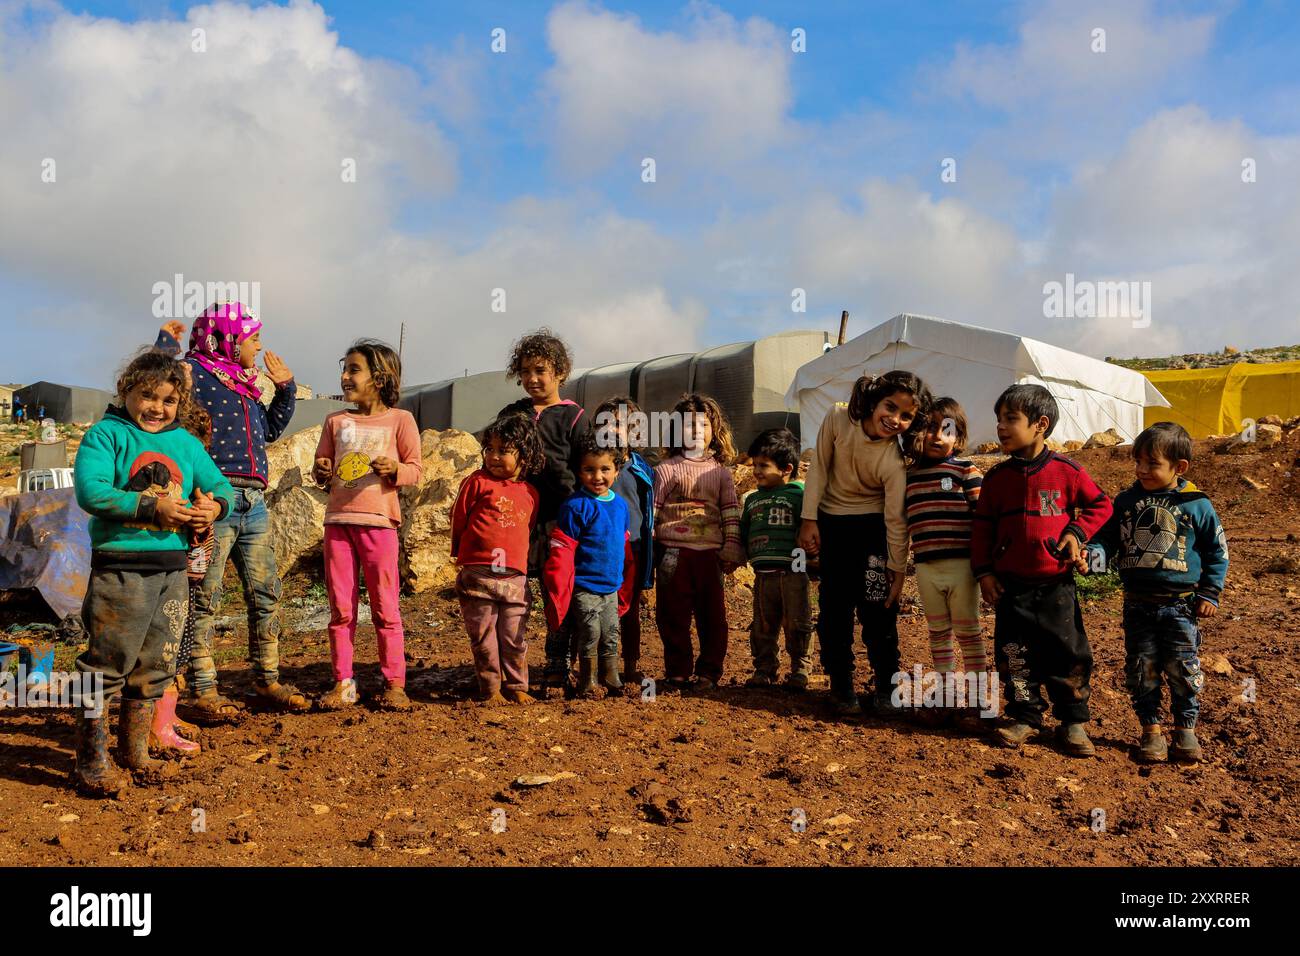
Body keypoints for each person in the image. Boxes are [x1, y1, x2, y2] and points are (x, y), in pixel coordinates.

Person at [72, 349, 233, 796]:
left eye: (167, 400)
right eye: (147, 396)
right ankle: (91, 759)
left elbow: (219, 486)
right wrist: (151, 506)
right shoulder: (106, 436)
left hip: (172, 571)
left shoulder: (185, 443)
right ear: (125, 391)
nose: (157, 408)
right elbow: (92, 492)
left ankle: (134, 751)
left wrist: (212, 507)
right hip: (121, 569)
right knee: (107, 662)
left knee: (154, 662)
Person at [155, 306, 302, 720]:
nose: (259, 344)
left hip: (254, 503)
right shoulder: (193, 374)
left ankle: (266, 679)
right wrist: (167, 343)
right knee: (206, 596)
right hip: (213, 503)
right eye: (253, 337)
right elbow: (156, 382)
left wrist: (286, 388)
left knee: (266, 591)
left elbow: (270, 431)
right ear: (228, 338)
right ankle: (202, 690)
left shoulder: (245, 386)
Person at [971, 384, 1113, 757]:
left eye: (1010, 419)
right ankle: (1024, 715)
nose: (1001, 427)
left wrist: (1076, 532)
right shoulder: (997, 479)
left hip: (1056, 586)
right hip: (1011, 588)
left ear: (1040, 424)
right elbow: (982, 528)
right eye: (999, 419)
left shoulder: (1067, 471)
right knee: (1014, 655)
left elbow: (1101, 506)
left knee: (1067, 652)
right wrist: (985, 573)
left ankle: (1073, 721)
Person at [1083, 422, 1227, 763]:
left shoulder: (1196, 504)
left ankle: (1185, 729)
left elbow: (1216, 552)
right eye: (1137, 462)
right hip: (1137, 606)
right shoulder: (1127, 502)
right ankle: (1151, 731)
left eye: (1152, 464)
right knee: (1141, 668)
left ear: (1180, 468)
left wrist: (1210, 593)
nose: (1141, 470)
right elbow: (1106, 539)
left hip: (1182, 607)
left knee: (1182, 667)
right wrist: (1092, 557)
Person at [798, 371, 932, 718]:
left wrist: (897, 568)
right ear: (874, 401)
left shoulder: (894, 460)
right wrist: (809, 519)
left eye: (906, 416)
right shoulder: (838, 418)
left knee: (878, 610)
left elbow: (895, 519)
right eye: (891, 407)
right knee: (834, 610)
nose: (895, 419)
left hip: (873, 534)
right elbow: (820, 469)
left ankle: (887, 689)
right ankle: (841, 687)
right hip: (833, 528)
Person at [312, 340, 423, 710]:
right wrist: (322, 470)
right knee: (341, 609)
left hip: (379, 524)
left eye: (354, 369)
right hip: (338, 523)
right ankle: (343, 682)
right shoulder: (335, 421)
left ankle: (395, 683)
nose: (345, 376)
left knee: (385, 607)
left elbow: (416, 470)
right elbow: (321, 468)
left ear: (380, 377)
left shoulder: (400, 421)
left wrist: (396, 471)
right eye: (344, 368)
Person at [495, 329, 590, 692]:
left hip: (560, 519)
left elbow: (587, 469)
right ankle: (509, 665)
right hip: (517, 521)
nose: (532, 379)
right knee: (515, 592)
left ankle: (557, 663)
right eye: (525, 371)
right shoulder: (513, 414)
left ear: (561, 372)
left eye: (541, 370)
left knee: (558, 589)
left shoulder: (576, 418)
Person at [653, 393, 745, 692]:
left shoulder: (720, 472)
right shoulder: (666, 470)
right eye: (688, 425)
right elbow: (651, 512)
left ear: (713, 430)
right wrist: (650, 551)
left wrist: (731, 546)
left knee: (713, 618)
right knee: (672, 615)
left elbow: (730, 511)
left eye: (703, 425)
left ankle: (709, 673)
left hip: (709, 556)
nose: (695, 431)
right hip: (674, 554)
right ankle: (677, 671)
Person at [450, 412, 544, 704]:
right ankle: (490, 688)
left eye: (503, 450)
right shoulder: (476, 482)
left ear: (525, 456)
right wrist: (459, 553)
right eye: (489, 449)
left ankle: (516, 687)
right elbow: (459, 518)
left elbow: (527, 529)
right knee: (483, 634)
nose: (493, 456)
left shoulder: (530, 493)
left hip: (514, 578)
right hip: (478, 573)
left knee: (513, 635)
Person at [904, 398, 986, 728]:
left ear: (959, 436)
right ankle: (947, 697)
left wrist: (986, 565)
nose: (937, 436)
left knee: (969, 634)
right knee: (937, 632)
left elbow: (983, 520)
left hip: (962, 567)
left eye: (947, 429)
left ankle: (979, 702)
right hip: (926, 567)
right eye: (929, 428)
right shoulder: (908, 477)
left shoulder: (966, 470)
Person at [543, 432, 635, 697]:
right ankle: (588, 682)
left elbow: (625, 546)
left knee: (610, 633)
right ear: (578, 471)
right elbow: (563, 550)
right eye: (589, 470)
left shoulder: (620, 506)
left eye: (605, 469)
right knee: (590, 633)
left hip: (611, 587)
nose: (597, 477)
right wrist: (558, 588)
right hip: (584, 586)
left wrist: (626, 581)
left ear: (617, 470)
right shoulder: (575, 506)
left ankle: (611, 677)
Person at [740, 427, 813, 690]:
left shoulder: (800, 495)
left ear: (786, 468)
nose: (756, 470)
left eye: (764, 465)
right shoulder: (751, 500)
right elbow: (744, 530)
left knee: (798, 622)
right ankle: (764, 669)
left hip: (793, 569)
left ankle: (800, 670)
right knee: (763, 623)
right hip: (762, 573)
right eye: (755, 465)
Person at [593, 396, 655, 683]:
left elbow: (648, 509)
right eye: (606, 424)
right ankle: (596, 666)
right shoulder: (594, 467)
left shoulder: (642, 469)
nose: (613, 430)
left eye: (620, 425)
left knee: (630, 610)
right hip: (598, 548)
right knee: (595, 605)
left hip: (634, 547)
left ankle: (630, 664)